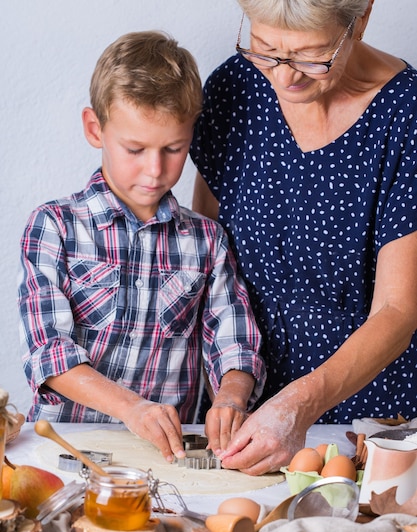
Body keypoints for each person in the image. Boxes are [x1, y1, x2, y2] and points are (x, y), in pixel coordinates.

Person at [190, 0, 417, 474]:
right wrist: (228, 387)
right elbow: (206, 254)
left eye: (311, 56)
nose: (284, 77)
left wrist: (299, 404)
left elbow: (398, 310)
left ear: (362, 18)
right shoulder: (235, 86)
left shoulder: (406, 116)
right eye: (266, 49)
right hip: (240, 399)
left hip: (367, 416)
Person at [18, 31, 266, 463]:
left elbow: (234, 339)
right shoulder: (54, 226)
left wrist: (232, 396)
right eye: (135, 149)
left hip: (168, 456)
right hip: (66, 447)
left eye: (173, 148)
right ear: (95, 129)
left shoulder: (206, 239)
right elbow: (49, 353)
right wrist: (131, 408)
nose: (155, 170)